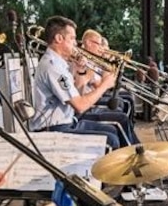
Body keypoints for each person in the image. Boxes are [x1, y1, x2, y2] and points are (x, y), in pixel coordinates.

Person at [29, 16, 126, 150]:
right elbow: (80, 106)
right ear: (58, 38)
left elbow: (76, 97)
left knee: (112, 131)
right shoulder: (53, 67)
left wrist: (80, 72)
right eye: (72, 38)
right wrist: (105, 84)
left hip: (67, 122)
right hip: (53, 129)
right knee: (111, 140)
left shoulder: (59, 64)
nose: (76, 43)